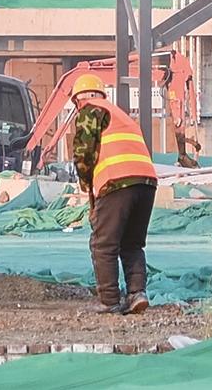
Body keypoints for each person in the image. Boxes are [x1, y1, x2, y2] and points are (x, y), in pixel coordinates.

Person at [68, 70, 154, 314]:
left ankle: (109, 301)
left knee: (103, 244)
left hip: (117, 183)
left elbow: (84, 154)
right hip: (147, 183)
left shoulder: (90, 110)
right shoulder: (120, 115)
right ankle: (137, 294)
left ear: (78, 99)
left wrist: (86, 185)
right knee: (132, 243)